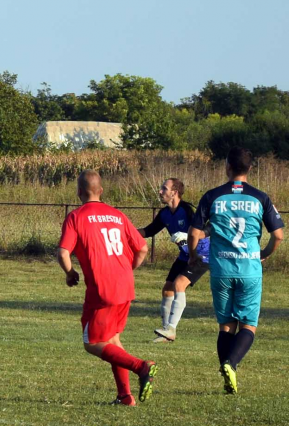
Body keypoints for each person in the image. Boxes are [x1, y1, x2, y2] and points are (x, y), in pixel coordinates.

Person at [188, 147, 284, 394]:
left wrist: (193, 254)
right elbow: (279, 235)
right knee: (248, 325)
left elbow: (194, 232)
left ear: (227, 167)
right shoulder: (261, 197)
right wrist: (264, 254)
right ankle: (231, 364)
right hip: (250, 269)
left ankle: (226, 374)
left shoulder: (212, 196)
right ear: (250, 169)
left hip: (221, 269)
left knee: (226, 325)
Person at [56, 170, 157, 406]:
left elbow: (63, 252)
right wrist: (126, 270)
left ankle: (142, 366)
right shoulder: (118, 215)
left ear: (79, 192)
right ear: (101, 191)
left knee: (92, 343)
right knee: (113, 340)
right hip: (125, 285)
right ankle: (125, 396)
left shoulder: (76, 217)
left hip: (102, 290)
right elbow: (142, 249)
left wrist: (70, 274)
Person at [137, 178, 211, 342]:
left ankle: (171, 329)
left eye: (164, 188)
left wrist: (188, 236)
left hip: (202, 253)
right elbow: (149, 230)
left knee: (179, 284)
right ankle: (166, 332)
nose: (160, 192)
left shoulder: (187, 210)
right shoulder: (164, 213)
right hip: (185, 254)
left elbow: (207, 228)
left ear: (174, 192)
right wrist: (126, 231)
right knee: (168, 289)